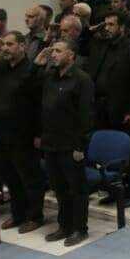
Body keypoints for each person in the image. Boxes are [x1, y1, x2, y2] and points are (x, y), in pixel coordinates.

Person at [38, 39, 95, 246]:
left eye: (58, 51)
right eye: (53, 50)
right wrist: (37, 64)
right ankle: (65, 225)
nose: (53, 54)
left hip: (71, 144)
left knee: (77, 189)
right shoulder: (50, 76)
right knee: (59, 188)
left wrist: (80, 145)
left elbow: (86, 115)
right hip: (51, 142)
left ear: (71, 55)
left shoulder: (82, 79)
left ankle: (80, 228)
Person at [0, 32, 46, 232]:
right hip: (1, 132)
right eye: (3, 44)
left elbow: (37, 104)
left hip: (23, 134)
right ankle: (18, 214)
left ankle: (35, 216)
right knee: (10, 177)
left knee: (29, 178)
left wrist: (39, 133)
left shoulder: (32, 69)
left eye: (10, 44)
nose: (5, 48)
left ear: (22, 46)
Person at [87, 10, 130, 204]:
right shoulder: (102, 46)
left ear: (122, 27)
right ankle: (112, 190)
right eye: (105, 24)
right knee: (107, 153)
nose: (107, 28)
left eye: (111, 25)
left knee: (129, 153)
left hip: (123, 109)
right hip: (101, 107)